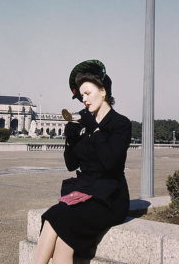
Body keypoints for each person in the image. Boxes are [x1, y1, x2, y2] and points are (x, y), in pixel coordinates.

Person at [33, 59, 132, 264]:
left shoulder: (120, 124)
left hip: (109, 197)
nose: (83, 99)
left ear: (103, 91)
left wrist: (95, 129)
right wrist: (70, 140)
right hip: (85, 192)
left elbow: (110, 162)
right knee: (63, 239)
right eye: (81, 96)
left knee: (55, 218)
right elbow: (71, 164)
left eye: (87, 93)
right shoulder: (84, 122)